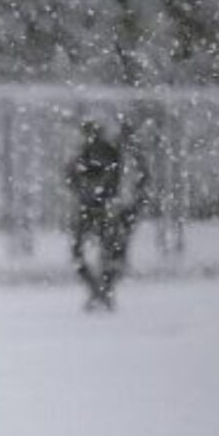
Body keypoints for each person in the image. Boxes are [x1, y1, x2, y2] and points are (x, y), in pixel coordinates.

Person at [65, 119, 135, 311]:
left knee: (103, 253)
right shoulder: (96, 154)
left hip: (100, 208)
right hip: (97, 208)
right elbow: (72, 179)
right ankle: (101, 290)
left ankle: (100, 291)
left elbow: (73, 179)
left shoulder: (104, 153)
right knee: (101, 253)